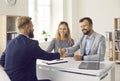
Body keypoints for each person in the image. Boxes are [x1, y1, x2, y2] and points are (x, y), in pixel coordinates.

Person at [0, 16, 61, 81]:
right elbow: (48, 57)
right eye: (32, 26)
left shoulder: (10, 43)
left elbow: (2, 61)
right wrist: (59, 54)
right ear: (27, 27)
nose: (33, 29)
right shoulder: (31, 44)